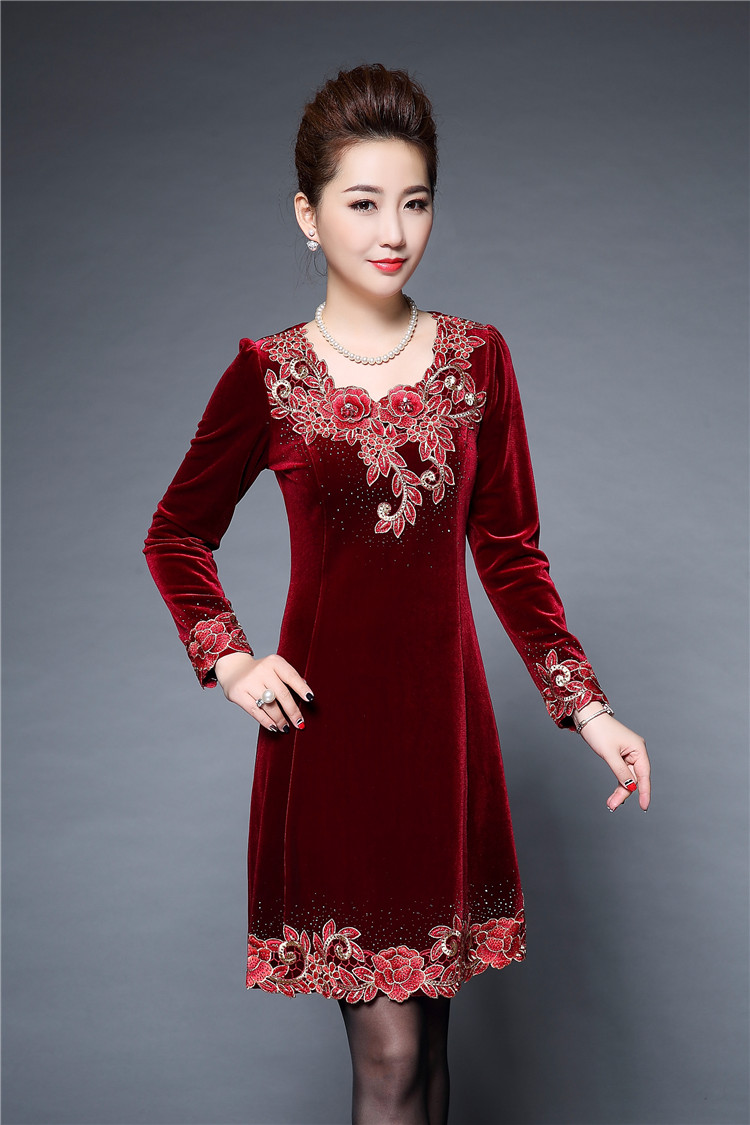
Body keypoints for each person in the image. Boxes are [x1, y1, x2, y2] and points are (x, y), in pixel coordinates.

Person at [143, 62, 650, 1125]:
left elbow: (510, 552)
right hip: (330, 749)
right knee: (389, 1061)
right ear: (307, 213)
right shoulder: (270, 376)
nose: (394, 231)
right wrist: (229, 658)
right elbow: (177, 533)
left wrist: (588, 709)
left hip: (443, 745)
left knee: (426, 1061)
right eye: (364, 203)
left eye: (415, 202)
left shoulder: (478, 362)